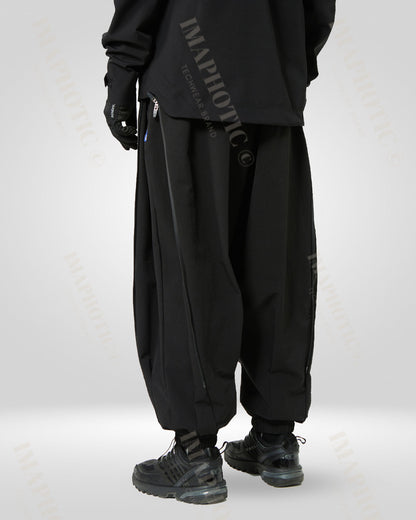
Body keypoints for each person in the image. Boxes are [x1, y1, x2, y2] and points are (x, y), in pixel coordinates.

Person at [101, 0, 336, 505]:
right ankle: (275, 440)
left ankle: (196, 454)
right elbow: (319, 9)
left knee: (191, 265)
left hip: (187, 86)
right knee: (277, 265)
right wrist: (286, 62)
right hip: (273, 90)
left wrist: (122, 69)